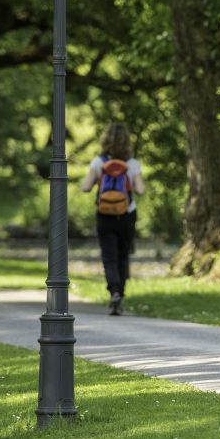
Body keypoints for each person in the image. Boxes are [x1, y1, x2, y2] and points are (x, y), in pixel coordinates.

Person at [81, 123, 145, 316]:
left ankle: (114, 292)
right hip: (126, 215)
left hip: (104, 215)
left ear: (105, 140)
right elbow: (140, 190)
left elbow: (85, 187)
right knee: (123, 256)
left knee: (109, 257)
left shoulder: (98, 163)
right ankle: (120, 296)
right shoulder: (132, 164)